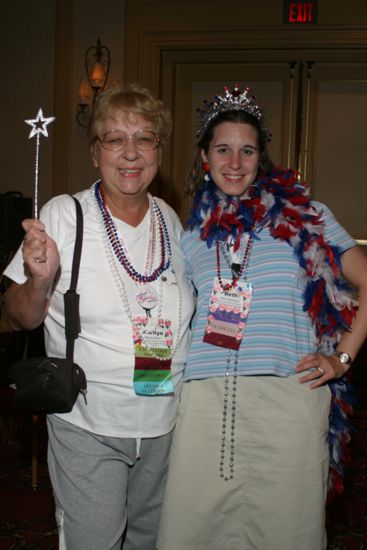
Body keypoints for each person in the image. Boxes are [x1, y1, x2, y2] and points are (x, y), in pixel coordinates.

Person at [156, 83, 367, 550]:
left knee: (287, 532)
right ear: (204, 158)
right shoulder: (189, 240)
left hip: (287, 402)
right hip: (205, 406)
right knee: (194, 533)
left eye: (247, 150)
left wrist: (342, 360)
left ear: (261, 158)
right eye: (223, 150)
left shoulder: (307, 217)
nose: (235, 163)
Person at [3, 83, 195, 550]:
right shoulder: (64, 216)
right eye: (114, 138)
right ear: (95, 152)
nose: (130, 152)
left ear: (159, 151)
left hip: (166, 423)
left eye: (145, 138)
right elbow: (18, 318)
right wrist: (39, 281)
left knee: (151, 541)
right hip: (87, 421)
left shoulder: (171, 220)